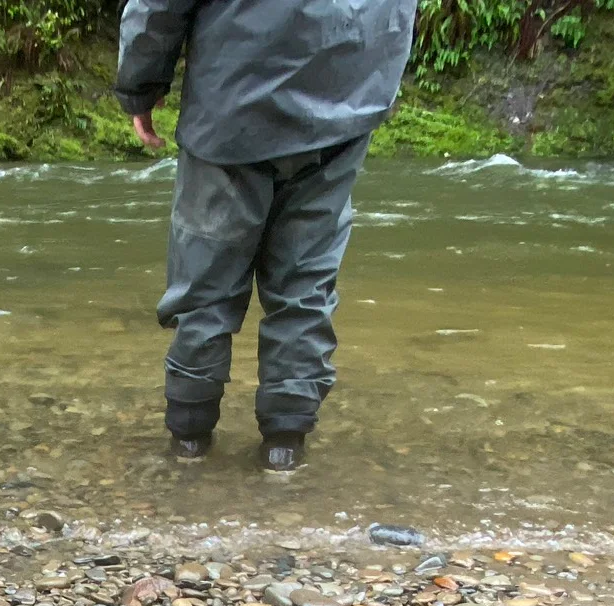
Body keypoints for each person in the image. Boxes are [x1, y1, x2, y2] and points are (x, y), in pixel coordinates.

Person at [115, 0, 417, 471]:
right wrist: (371, 88)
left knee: (206, 279)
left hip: (233, 97)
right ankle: (284, 445)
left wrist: (140, 85)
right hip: (343, 101)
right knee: (305, 278)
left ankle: (189, 440)